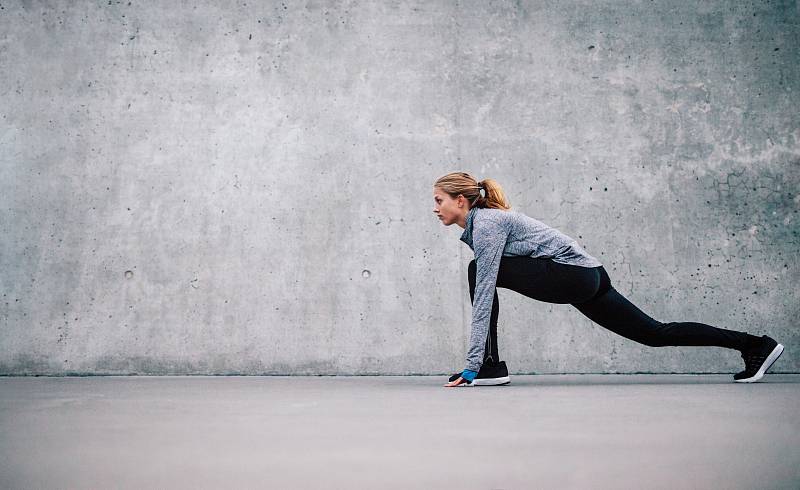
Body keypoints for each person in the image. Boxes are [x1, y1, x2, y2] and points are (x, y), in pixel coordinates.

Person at [432, 172, 785, 387]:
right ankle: (755, 346)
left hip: (573, 275)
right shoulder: (487, 223)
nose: (435, 208)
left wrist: (471, 366)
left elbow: (482, 298)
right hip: (589, 276)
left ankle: (489, 366)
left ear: (461, 201)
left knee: (479, 272)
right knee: (654, 333)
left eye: (439, 200)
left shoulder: (489, 224)